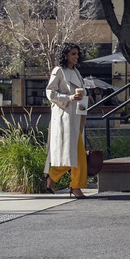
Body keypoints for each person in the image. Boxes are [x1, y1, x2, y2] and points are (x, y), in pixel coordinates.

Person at [43, 43, 88, 198]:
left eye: (77, 54)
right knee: (75, 154)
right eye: (73, 54)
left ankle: (52, 177)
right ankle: (75, 186)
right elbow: (50, 93)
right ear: (65, 55)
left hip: (77, 116)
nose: (76, 56)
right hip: (65, 117)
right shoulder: (59, 71)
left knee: (74, 154)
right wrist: (69, 97)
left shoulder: (76, 72)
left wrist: (84, 101)